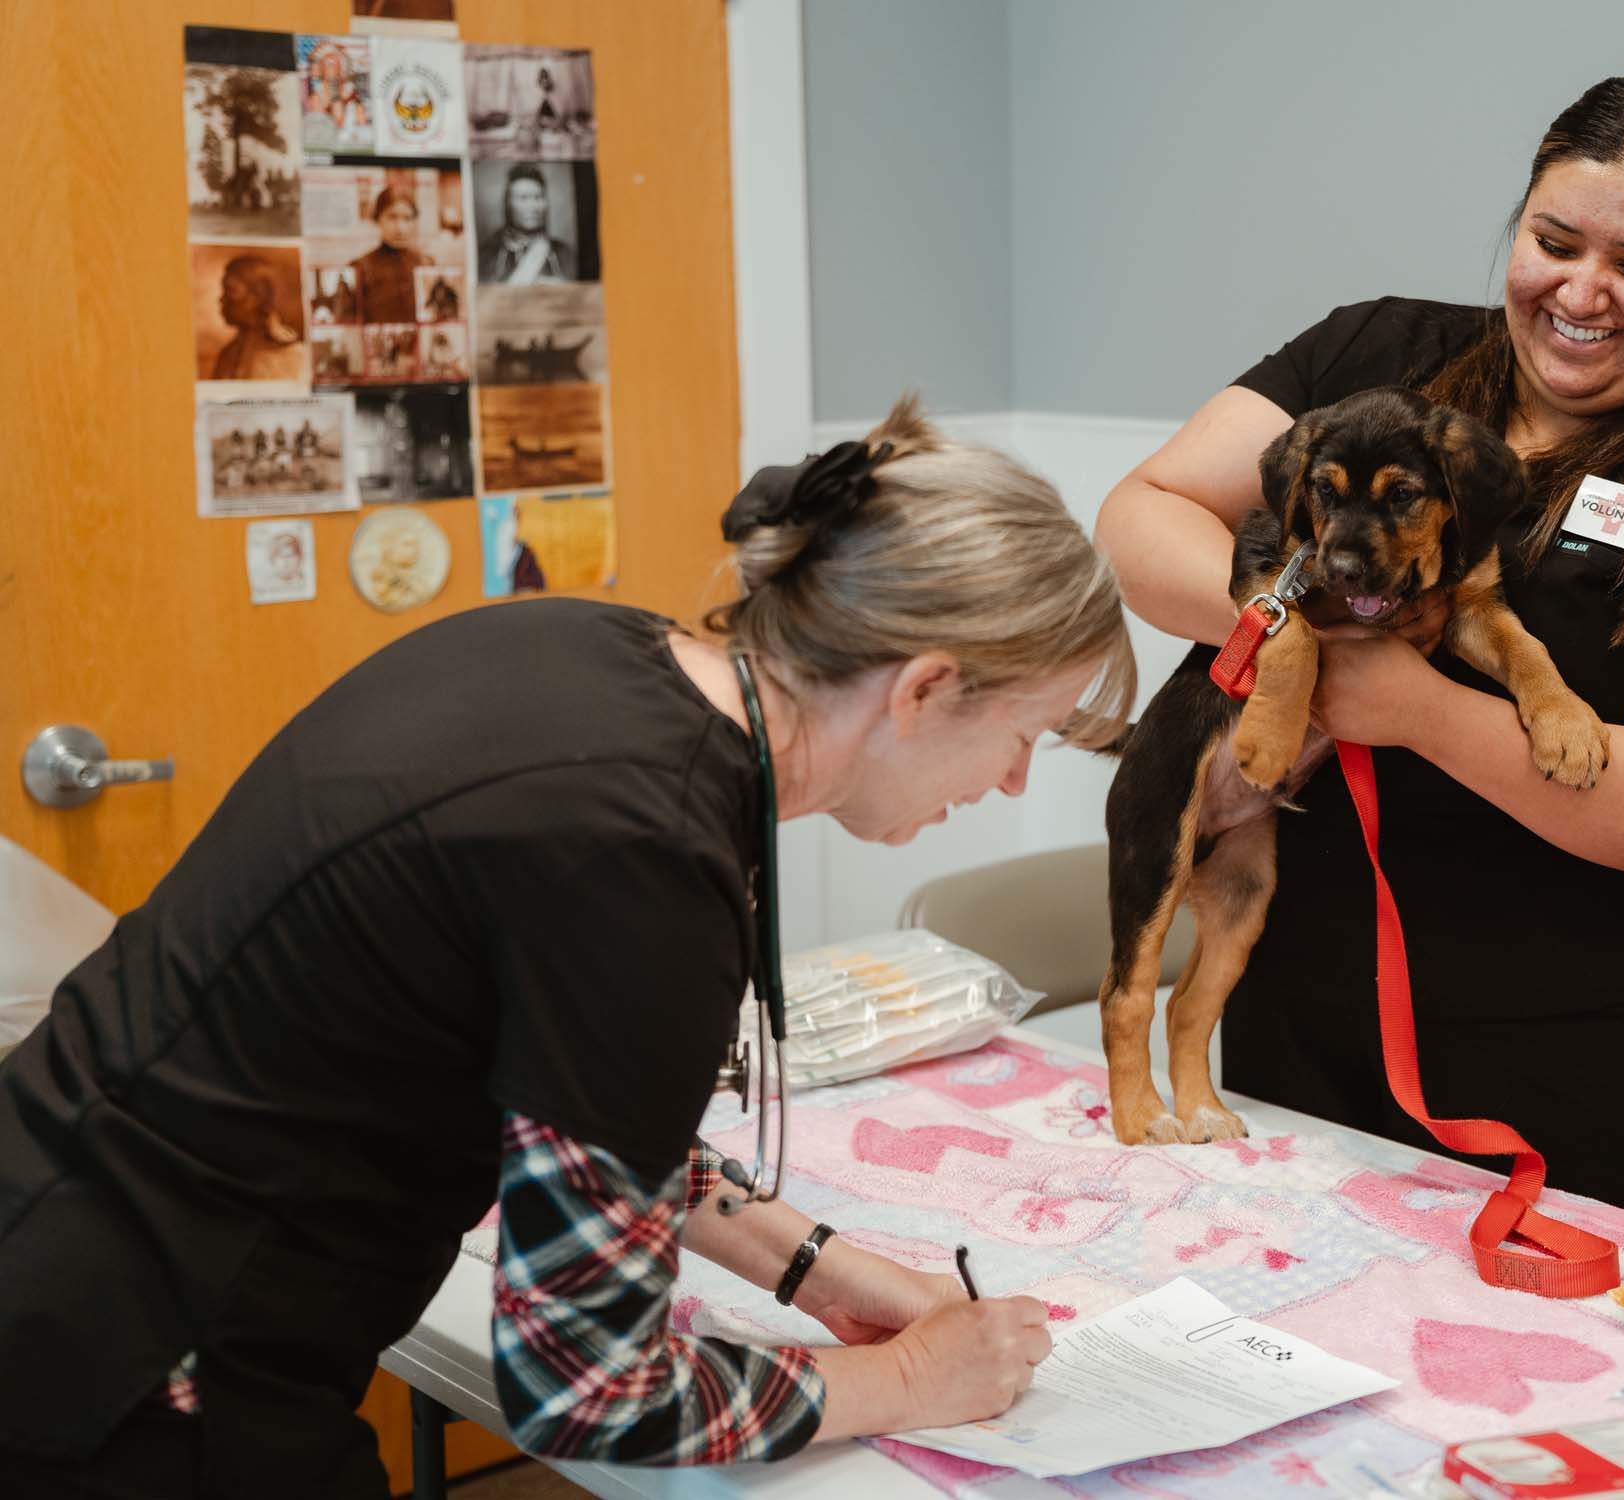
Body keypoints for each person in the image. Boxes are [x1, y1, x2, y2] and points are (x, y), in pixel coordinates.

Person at [0, 397, 1130, 1494]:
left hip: (56, 1217)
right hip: (130, 1367)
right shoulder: (636, 858)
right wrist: (901, 1382)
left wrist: (816, 1267)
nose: (1014, 782)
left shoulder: (593, 654)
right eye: (1022, 736)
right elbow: (593, 1393)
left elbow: (575, 1099)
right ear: (925, 690)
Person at [1095, 76, 1624, 1232]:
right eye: (1553, 242)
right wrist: (1290, 630)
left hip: (1572, 1065)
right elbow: (1145, 518)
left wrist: (1407, 705)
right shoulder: (1376, 353)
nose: (1581, 294)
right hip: (1295, 1007)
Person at [208, 255, 306, 383]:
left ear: (257, 297)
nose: (221, 300)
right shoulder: (227, 355)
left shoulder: (295, 356)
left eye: (231, 291)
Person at [479, 162, 575, 284]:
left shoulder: (564, 254)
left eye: (538, 197)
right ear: (508, 204)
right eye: (523, 198)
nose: (533, 207)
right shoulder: (489, 255)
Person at [350, 183, 431, 325]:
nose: (400, 228)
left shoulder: (426, 264)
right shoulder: (361, 267)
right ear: (377, 219)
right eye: (392, 217)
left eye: (407, 218)